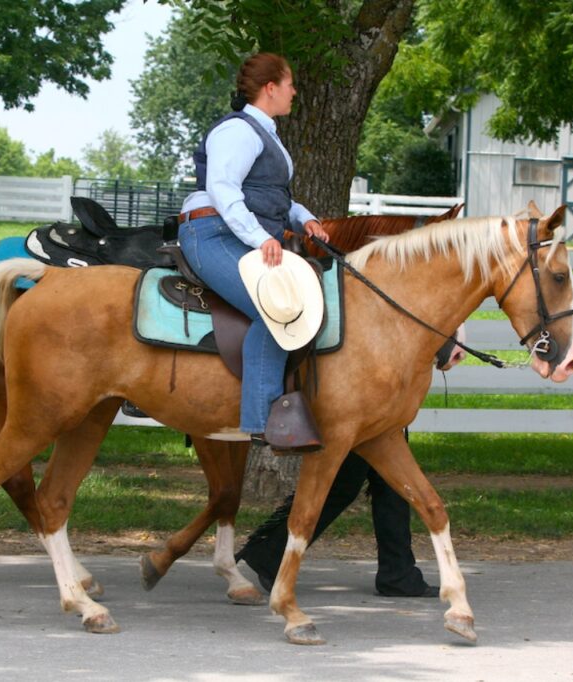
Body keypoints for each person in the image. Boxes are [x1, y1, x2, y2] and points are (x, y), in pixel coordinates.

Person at [177, 53, 330, 447]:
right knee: (277, 311)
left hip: (235, 233)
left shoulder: (266, 134)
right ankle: (261, 421)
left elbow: (270, 197)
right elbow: (224, 190)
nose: (295, 91)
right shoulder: (238, 132)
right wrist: (261, 238)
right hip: (211, 233)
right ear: (270, 88)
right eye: (290, 84)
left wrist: (304, 219)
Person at [236, 428, 439, 597]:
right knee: (343, 487)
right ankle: (269, 553)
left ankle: (398, 572)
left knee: (390, 486)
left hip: (377, 413)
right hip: (365, 412)